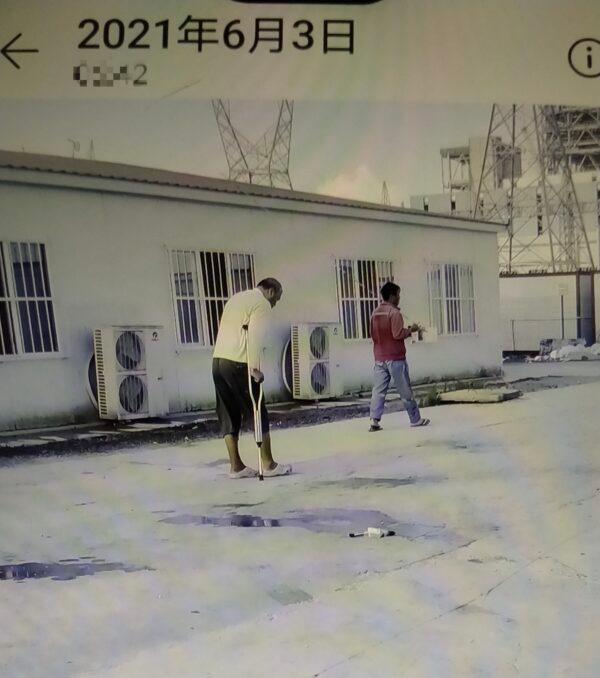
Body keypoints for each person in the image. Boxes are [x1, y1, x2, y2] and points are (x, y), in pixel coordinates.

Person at [212, 277, 292, 479]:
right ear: (271, 291)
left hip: (218, 361)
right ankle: (268, 464)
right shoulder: (261, 304)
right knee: (257, 411)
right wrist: (255, 368)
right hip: (239, 362)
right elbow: (255, 336)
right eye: (277, 299)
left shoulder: (236, 298)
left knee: (228, 412)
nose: (275, 304)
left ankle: (236, 467)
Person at [368, 281, 430, 431]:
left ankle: (374, 421)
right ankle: (415, 419)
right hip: (395, 358)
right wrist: (411, 330)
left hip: (379, 358)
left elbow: (372, 335)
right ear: (392, 295)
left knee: (378, 391)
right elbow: (397, 334)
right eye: (398, 295)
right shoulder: (394, 313)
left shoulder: (375, 313)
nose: (399, 298)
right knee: (405, 390)